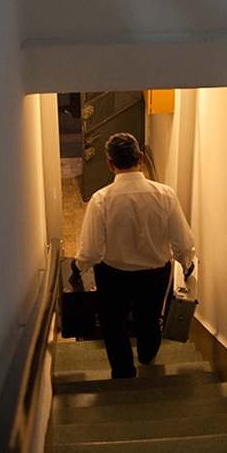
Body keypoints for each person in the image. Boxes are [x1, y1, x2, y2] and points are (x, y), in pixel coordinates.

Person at [72, 132, 195, 379]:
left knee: (112, 322)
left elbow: (91, 250)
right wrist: (187, 264)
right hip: (155, 274)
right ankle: (148, 354)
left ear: (110, 164)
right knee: (148, 317)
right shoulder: (165, 195)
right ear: (140, 157)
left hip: (112, 275)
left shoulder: (101, 200)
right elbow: (182, 241)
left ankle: (123, 370)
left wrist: (78, 267)